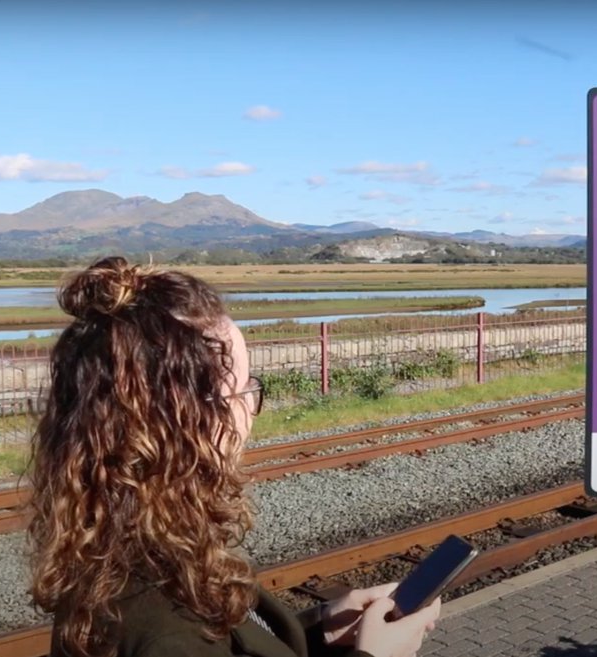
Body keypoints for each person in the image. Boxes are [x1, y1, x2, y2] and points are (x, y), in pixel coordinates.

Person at [27, 256, 441, 657]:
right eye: (243, 389)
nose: (250, 409)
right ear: (190, 421)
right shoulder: (164, 628)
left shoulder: (128, 546)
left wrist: (323, 629)